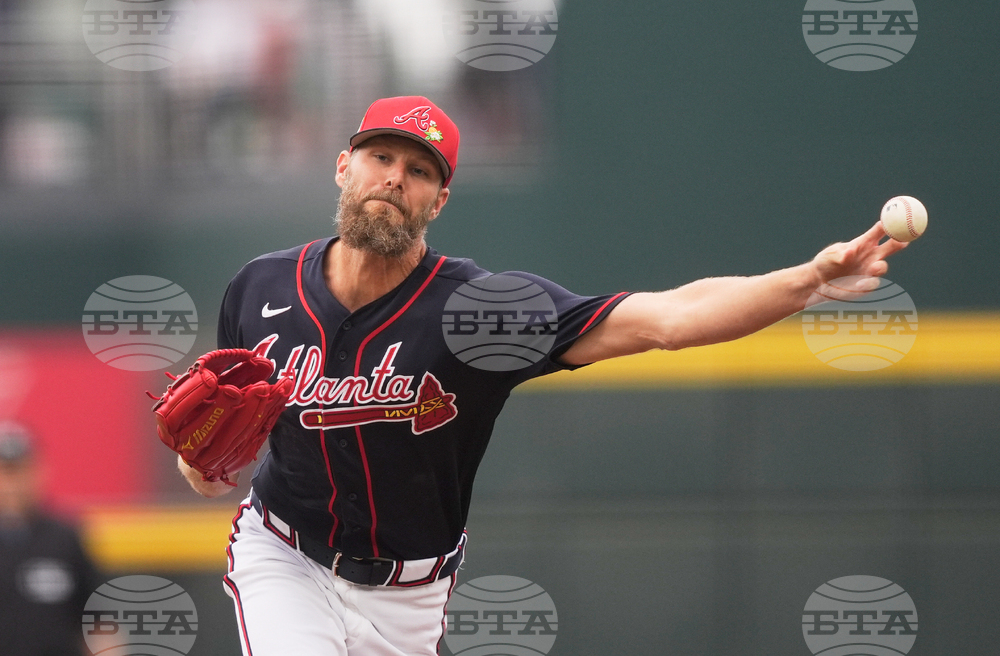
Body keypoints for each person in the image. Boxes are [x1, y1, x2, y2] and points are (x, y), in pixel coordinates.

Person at [175, 96, 907, 655]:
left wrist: (807, 280)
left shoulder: (478, 310)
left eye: (419, 170)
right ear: (345, 166)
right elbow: (213, 458)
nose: (395, 179)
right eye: (381, 157)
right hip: (284, 555)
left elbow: (670, 319)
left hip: (411, 591)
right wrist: (202, 470)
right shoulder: (258, 288)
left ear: (440, 200)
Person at [0, 422, 102, 656]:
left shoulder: (65, 539)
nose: (11, 484)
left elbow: (97, 623)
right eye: (5, 472)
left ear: (39, 472)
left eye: (20, 470)